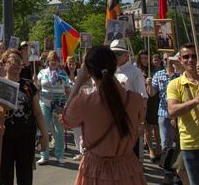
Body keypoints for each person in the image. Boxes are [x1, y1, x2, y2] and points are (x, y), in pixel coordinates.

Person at [62, 46, 147, 185]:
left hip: (95, 170)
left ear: (88, 71)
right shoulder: (136, 100)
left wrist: (78, 84)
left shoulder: (85, 101)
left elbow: (66, 120)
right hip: (128, 169)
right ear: (115, 65)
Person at [0, 49, 48, 185]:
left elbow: (37, 112)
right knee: (4, 178)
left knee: (25, 177)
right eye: (12, 61)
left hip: (26, 137)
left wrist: (44, 135)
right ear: (4, 64)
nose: (16, 64)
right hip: (4, 137)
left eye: (19, 62)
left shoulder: (29, 85)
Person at [167, 43, 199, 185]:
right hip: (191, 146)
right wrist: (195, 101)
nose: (191, 60)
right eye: (186, 57)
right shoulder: (175, 84)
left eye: (195, 56)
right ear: (180, 60)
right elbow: (172, 110)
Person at [110, 39, 147, 158]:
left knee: (131, 153)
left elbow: (142, 98)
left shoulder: (135, 72)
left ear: (127, 55)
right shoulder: (109, 70)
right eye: (113, 53)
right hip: (110, 117)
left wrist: (141, 122)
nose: (115, 56)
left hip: (129, 119)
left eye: (118, 53)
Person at [148, 53, 181, 184]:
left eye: (171, 59)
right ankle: (168, 173)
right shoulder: (158, 74)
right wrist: (149, 84)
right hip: (163, 114)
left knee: (180, 144)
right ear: (163, 60)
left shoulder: (180, 74)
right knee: (166, 144)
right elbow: (151, 93)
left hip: (179, 114)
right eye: (166, 59)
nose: (169, 61)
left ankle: (179, 172)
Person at [36, 50, 71, 165]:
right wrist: (35, 82)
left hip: (59, 104)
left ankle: (60, 155)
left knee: (59, 130)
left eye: (55, 60)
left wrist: (69, 104)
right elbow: (37, 88)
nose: (53, 62)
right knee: (44, 129)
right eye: (51, 60)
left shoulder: (63, 73)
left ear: (58, 61)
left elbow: (68, 90)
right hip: (44, 103)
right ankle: (44, 155)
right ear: (48, 61)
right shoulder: (42, 72)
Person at [142, 52, 163, 162]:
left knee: (156, 126)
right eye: (142, 58)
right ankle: (150, 149)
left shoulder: (154, 70)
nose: (144, 60)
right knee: (147, 127)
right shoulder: (139, 71)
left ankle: (159, 146)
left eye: (146, 58)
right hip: (145, 101)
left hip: (155, 100)